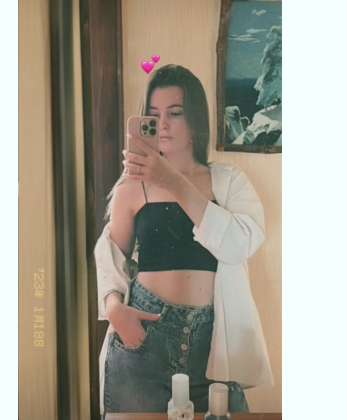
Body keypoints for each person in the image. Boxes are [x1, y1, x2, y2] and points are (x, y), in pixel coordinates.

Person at [95, 64, 274, 417]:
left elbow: (239, 246)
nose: (162, 124)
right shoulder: (131, 186)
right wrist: (114, 309)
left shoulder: (229, 182)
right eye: (153, 114)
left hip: (214, 349)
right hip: (142, 343)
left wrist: (173, 180)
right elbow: (110, 258)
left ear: (195, 121)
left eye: (174, 113)